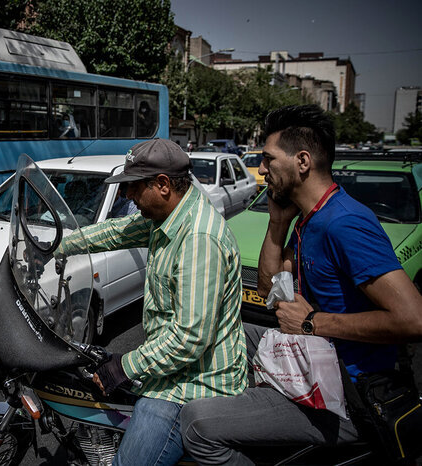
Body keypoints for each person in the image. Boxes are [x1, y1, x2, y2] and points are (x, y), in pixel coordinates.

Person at [180, 105, 422, 465]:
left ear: (302, 161)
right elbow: (269, 290)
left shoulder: (346, 223)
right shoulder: (309, 219)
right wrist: (277, 225)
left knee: (195, 424)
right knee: (224, 329)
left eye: (268, 159)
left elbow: (413, 319)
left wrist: (313, 323)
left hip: (347, 394)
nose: (261, 170)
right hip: (310, 358)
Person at [57, 139, 247, 466]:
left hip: (194, 382)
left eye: (132, 187)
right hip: (174, 366)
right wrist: (58, 245)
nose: (127, 196)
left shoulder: (197, 239)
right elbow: (116, 232)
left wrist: (123, 367)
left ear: (161, 185)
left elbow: (189, 338)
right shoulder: (169, 214)